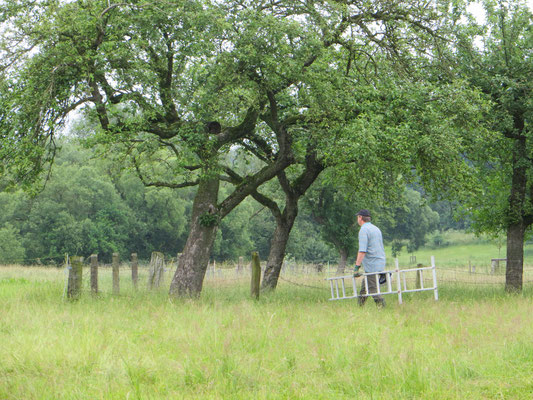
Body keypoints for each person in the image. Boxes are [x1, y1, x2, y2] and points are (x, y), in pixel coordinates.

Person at [354, 209, 386, 307]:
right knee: (364, 289)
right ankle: (359, 308)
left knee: (372, 289)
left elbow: (362, 251)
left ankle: (382, 306)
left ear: (360, 218)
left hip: (372, 264)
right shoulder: (375, 228)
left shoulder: (363, 230)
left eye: (357, 217)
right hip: (379, 262)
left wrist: (356, 267)